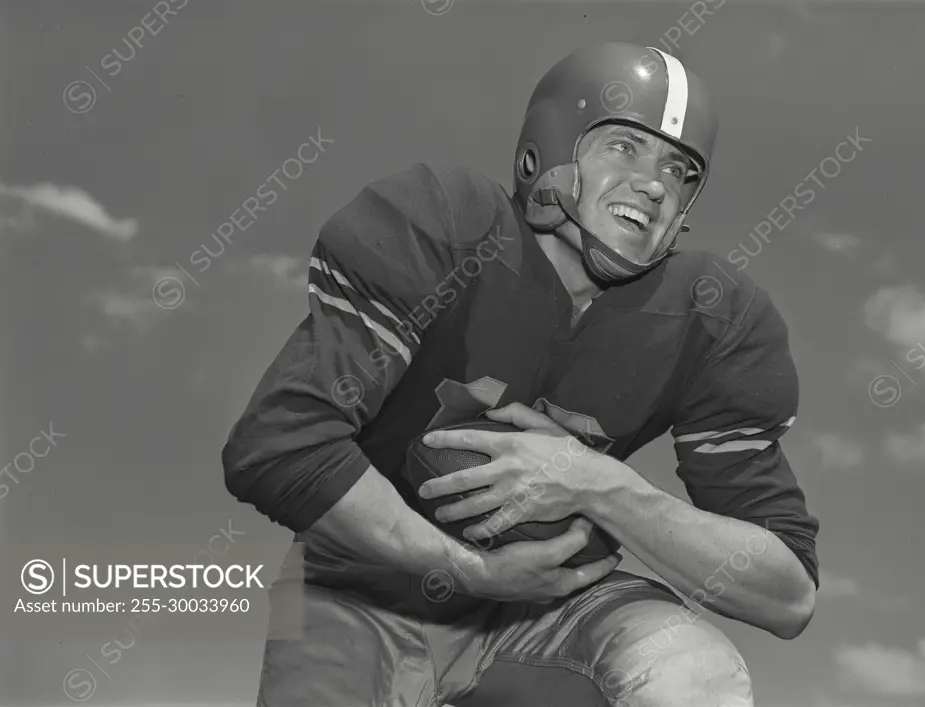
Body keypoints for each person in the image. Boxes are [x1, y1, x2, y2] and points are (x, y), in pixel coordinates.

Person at [222, 42, 819, 707]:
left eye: (680, 170)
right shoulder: (447, 223)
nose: (655, 184)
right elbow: (278, 446)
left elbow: (788, 592)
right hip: (360, 591)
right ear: (546, 151)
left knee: (693, 672)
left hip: (549, 609)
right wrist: (474, 569)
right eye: (623, 147)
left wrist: (601, 484)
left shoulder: (711, 315)